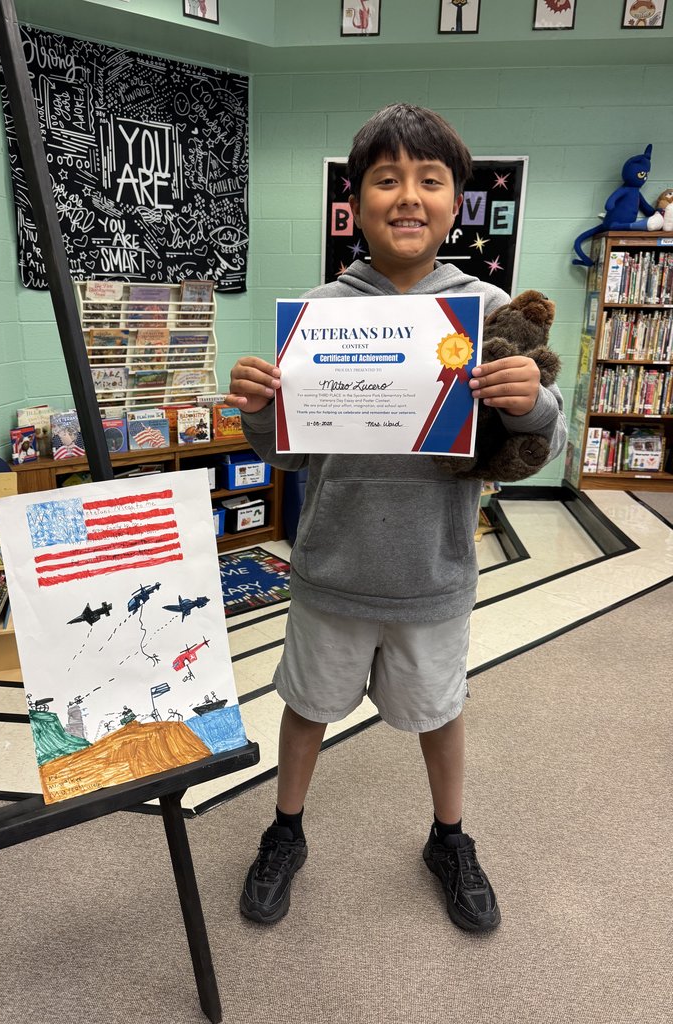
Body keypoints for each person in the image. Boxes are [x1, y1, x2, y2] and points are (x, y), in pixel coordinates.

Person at [226, 104, 566, 932]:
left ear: (455, 203)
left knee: (440, 711)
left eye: (429, 179)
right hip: (332, 568)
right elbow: (286, 452)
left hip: (434, 570)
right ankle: (286, 828)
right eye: (385, 179)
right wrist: (258, 409)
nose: (407, 195)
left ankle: (449, 837)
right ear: (355, 203)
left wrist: (536, 401)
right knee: (305, 705)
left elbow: (540, 445)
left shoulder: (488, 315)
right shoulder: (318, 312)